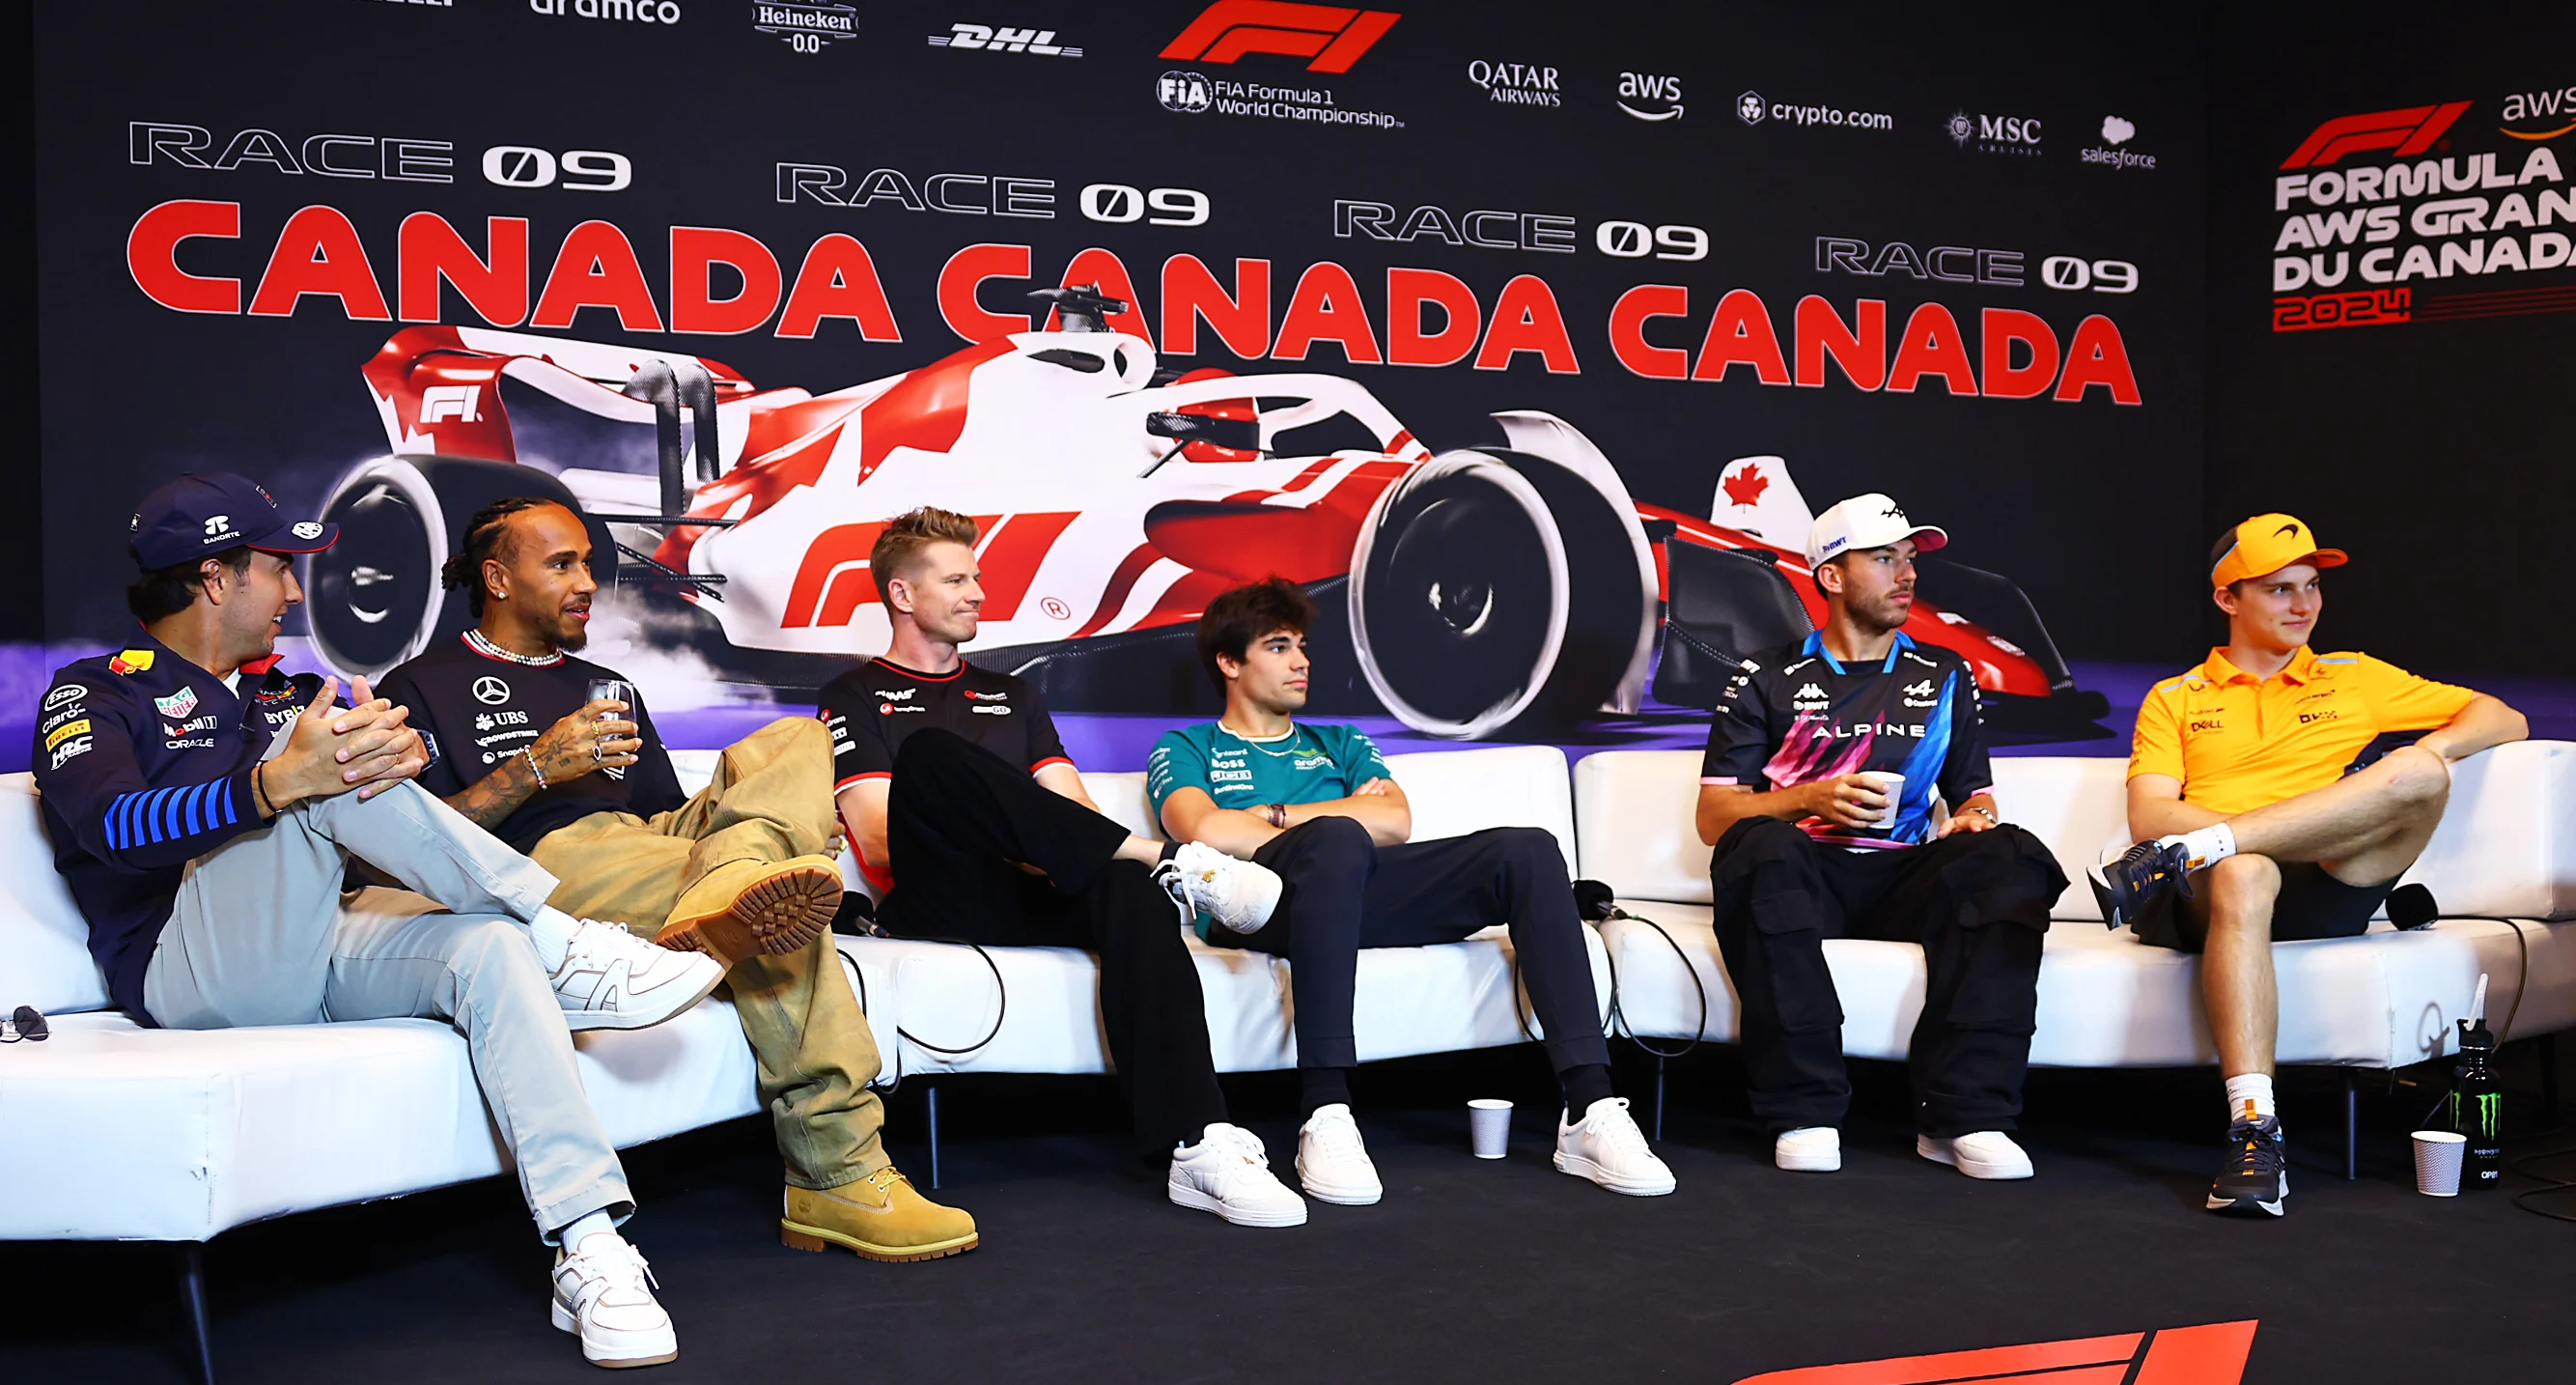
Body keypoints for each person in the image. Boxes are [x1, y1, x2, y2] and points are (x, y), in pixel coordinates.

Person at [39, 473, 722, 1369]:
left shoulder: (285, 696)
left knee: (486, 948)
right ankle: (569, 942)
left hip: (315, 943)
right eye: (278, 568)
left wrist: (388, 775)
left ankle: (588, 1246)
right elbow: (112, 830)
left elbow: (348, 854)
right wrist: (273, 783)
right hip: (186, 974)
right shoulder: (94, 692)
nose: (294, 591)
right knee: (322, 764)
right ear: (214, 577)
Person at [380, 497, 976, 1263]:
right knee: (767, 888)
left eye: (589, 563)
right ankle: (839, 1169)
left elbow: (666, 813)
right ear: (496, 577)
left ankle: (734, 887)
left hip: (650, 845)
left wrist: (770, 822)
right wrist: (536, 768)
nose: (587, 581)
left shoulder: (606, 682)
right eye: (562, 564)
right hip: (546, 859)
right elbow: (409, 845)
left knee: (796, 740)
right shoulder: (424, 683)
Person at [815, 508, 1306, 1227]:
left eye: (976, 577)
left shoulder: (1014, 694)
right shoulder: (853, 696)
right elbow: (883, 845)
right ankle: (1173, 862)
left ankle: (1196, 1143)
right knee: (933, 757)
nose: (978, 592)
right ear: (901, 595)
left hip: (1027, 886)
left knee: (1126, 886)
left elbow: (1078, 817)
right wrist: (1046, 842)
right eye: (956, 580)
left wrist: (1066, 849)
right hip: (935, 893)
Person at [1150, 579, 1678, 1203]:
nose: (1302, 661)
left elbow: (1396, 822)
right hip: (1262, 907)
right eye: (1278, 646)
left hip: (1361, 897)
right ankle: (1325, 1112)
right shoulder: (1188, 746)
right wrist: (1333, 816)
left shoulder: (1338, 742)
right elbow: (1204, 829)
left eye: (1303, 645)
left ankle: (1587, 1109)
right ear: (1230, 662)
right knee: (1340, 838)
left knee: (1526, 848)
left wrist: (1269, 816)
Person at [2088, 514, 2526, 1217]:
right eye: (2279, 589)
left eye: (2312, 586)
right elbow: (2150, 818)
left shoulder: (2355, 677)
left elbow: (2502, 718)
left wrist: (2430, 755)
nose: (2304, 605)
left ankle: (2220, 845)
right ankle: (2252, 1129)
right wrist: (2247, 846)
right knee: (2245, 872)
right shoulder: (2176, 697)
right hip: (2209, 892)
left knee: (2419, 768)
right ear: (2228, 599)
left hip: (2322, 875)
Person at [1694, 494, 2066, 1180]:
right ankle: (1803, 1110)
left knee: (2009, 855)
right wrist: (1807, 797)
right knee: (1757, 847)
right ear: (1830, 576)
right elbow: (1713, 818)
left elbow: (1972, 792)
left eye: (1910, 559)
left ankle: (1965, 1117)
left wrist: (1973, 818)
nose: (1907, 574)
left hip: (1905, 875)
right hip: (1807, 874)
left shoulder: (1945, 674)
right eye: (1884, 558)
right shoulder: (1765, 675)